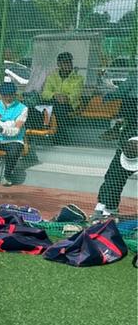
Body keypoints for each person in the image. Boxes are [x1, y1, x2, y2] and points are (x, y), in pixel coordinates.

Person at [94, 76, 138, 218]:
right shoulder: (134, 80)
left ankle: (106, 208)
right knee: (113, 176)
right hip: (129, 136)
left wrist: (110, 95)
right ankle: (106, 208)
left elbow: (118, 93)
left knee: (114, 176)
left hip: (130, 134)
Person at [41, 52, 84, 131]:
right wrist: (54, 95)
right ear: (59, 64)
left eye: (70, 62)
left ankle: (60, 133)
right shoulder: (52, 77)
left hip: (69, 105)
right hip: (53, 102)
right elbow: (45, 93)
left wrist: (66, 98)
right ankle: (39, 131)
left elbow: (76, 94)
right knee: (37, 107)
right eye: (65, 62)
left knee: (59, 107)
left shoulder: (78, 78)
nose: (68, 64)